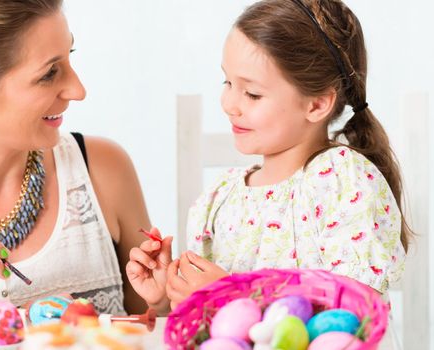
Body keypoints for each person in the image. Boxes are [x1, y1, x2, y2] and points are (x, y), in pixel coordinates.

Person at [127, 0, 410, 314]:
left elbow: (357, 307)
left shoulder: (345, 184)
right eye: (228, 82)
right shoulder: (219, 200)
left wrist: (234, 296)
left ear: (316, 105)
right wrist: (167, 297)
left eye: (252, 93)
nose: (229, 103)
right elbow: (206, 324)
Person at [0, 0, 150, 320]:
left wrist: (165, 301)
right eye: (49, 73)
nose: (78, 90)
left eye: (70, 58)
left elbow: (157, 327)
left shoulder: (104, 169)